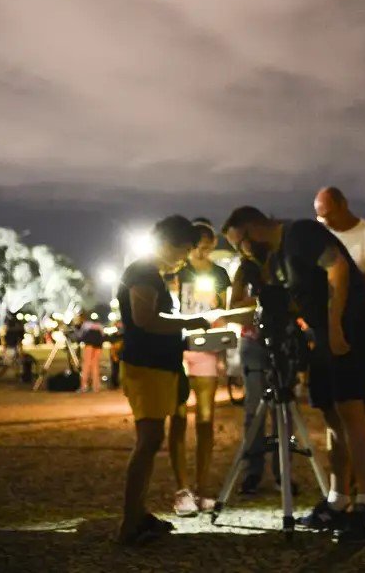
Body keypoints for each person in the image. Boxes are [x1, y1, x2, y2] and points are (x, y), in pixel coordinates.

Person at [223, 206, 365, 543]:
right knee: (330, 412)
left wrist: (337, 325)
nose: (244, 251)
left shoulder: (300, 233)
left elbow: (337, 268)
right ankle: (338, 499)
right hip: (322, 332)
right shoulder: (278, 257)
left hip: (350, 324)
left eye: (242, 242)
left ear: (253, 227)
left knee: (351, 409)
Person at [116, 215, 210, 546]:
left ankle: (138, 515)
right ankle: (130, 521)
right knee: (148, 442)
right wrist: (191, 322)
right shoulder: (142, 273)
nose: (185, 258)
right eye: (184, 250)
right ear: (169, 244)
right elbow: (145, 320)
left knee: (151, 440)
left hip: (155, 366)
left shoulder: (148, 273)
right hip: (147, 367)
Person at [314, 186, 365, 454]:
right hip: (333, 326)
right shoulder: (323, 239)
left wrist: (348, 282)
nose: (325, 222)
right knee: (338, 402)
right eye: (320, 218)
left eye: (328, 215)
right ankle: (347, 465)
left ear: (343, 205)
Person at [168, 220, 231, 515]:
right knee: (178, 418)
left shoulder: (219, 274)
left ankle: (202, 487)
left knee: (206, 421)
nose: (203, 252)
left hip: (206, 345)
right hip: (179, 347)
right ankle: (182, 489)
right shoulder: (177, 271)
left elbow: (224, 310)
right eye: (199, 247)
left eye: (209, 247)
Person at [229, 255, 281, 495]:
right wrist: (260, 300)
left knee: (282, 412)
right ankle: (253, 471)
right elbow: (234, 308)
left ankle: (283, 471)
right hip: (251, 342)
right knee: (253, 410)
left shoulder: (281, 263)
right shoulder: (244, 271)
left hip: (279, 342)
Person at [75, 313, 106, 392]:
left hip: (89, 344)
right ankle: (96, 386)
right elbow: (103, 335)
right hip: (98, 345)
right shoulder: (100, 325)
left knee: (86, 364)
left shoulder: (86, 324)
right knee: (95, 364)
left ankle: (83, 386)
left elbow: (80, 335)